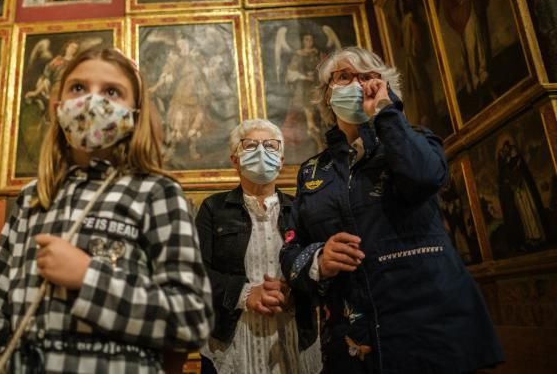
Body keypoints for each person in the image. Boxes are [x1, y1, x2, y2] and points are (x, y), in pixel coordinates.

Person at [0, 46, 212, 373]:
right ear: (58, 106)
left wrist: (88, 278)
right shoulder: (33, 198)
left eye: (112, 92)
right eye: (78, 88)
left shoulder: (156, 193)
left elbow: (191, 319)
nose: (92, 100)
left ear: (134, 114)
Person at [280, 46, 503, 373]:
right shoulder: (313, 171)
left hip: (429, 327)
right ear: (327, 95)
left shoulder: (416, 140)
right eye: (344, 77)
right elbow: (292, 246)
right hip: (353, 336)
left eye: (368, 77)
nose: (358, 85)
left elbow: (423, 178)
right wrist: (319, 260)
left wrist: (385, 111)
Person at [196, 119, 321, 374]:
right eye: (251, 146)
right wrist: (244, 294)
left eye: (270, 146)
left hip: (295, 342)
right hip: (232, 347)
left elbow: (320, 268)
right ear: (235, 160)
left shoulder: (301, 209)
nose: (262, 152)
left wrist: (296, 292)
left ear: (281, 161)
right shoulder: (213, 209)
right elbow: (195, 273)